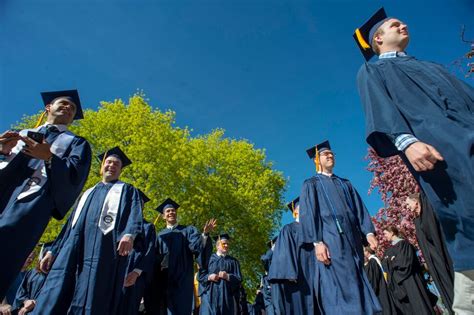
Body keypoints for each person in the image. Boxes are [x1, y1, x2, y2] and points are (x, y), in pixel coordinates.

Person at [354, 8, 474, 313]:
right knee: (466, 219)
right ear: (378, 39)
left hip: (469, 136)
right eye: (394, 25)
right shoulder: (373, 71)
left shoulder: (432, 67)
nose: (403, 24)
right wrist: (407, 143)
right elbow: (379, 109)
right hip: (438, 151)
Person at [0, 90, 92, 298]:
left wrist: (50, 158)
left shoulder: (76, 144)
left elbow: (75, 177)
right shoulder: (18, 133)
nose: (68, 108)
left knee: (5, 257)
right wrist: (2, 150)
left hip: (30, 207)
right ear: (48, 107)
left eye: (73, 108)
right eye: (63, 104)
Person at [32, 146, 143, 315]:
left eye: (116, 164)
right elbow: (69, 225)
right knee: (59, 287)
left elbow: (135, 214)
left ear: (120, 170)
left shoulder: (127, 190)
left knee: (95, 290)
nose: (112, 166)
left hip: (103, 246)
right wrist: (52, 251)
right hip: (73, 246)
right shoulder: (87, 193)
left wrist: (129, 234)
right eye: (109, 162)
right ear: (102, 166)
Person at [298, 140, 381, 314]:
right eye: (325, 154)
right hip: (330, 240)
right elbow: (309, 214)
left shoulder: (345, 183)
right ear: (316, 160)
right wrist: (317, 242)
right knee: (341, 284)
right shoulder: (311, 184)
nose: (330, 155)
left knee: (358, 278)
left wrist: (369, 233)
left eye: (332, 153)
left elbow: (360, 209)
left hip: (353, 241)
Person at [146, 198, 216, 315]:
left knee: (183, 307)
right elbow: (154, 258)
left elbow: (197, 248)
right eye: (167, 211)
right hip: (165, 278)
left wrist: (204, 235)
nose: (171, 212)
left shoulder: (188, 230)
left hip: (183, 277)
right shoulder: (160, 236)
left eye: (173, 210)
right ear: (163, 216)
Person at [406, 192, 454, 314]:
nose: (407, 208)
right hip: (436, 263)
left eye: (408, 204)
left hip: (446, 254)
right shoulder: (417, 222)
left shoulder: (430, 209)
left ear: (416, 201)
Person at [268, 197, 317, 314]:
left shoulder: (316, 230)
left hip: (318, 278)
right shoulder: (288, 230)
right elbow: (284, 254)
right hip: (299, 280)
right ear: (295, 212)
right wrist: (290, 274)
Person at [382, 226, 436, 314]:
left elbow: (404, 263)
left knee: (420, 306)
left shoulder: (403, 244)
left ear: (392, 232)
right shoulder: (389, 250)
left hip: (411, 281)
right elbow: (385, 265)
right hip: (401, 285)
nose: (384, 236)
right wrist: (392, 262)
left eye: (385, 233)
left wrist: (392, 262)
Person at [118, 190, 157, 315]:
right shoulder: (119, 224)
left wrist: (136, 272)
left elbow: (150, 252)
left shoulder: (148, 227)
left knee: (129, 308)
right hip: (115, 271)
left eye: (140, 204)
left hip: (135, 273)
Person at [198, 234, 242, 315]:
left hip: (227, 298)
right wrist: (209, 277)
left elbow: (239, 279)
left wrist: (228, 276)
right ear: (217, 246)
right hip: (210, 296)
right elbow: (200, 276)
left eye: (228, 244)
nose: (226, 245)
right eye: (224, 243)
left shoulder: (233, 261)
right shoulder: (209, 259)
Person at [12, 244, 51, 315]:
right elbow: (21, 291)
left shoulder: (56, 275)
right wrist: (25, 301)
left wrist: (35, 303)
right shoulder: (31, 272)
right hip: (24, 310)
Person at [364, 247, 397, 315]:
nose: (364, 253)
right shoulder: (374, 259)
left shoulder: (372, 261)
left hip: (380, 286)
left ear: (368, 251)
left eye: (364, 251)